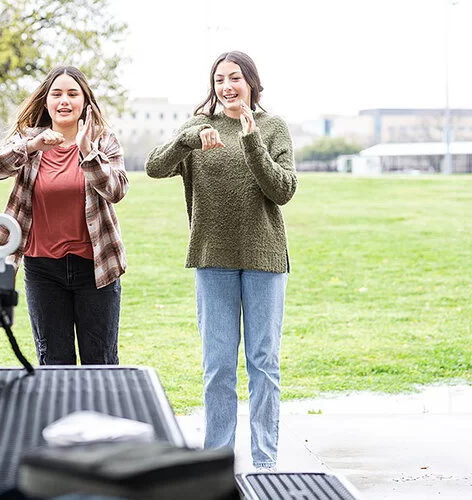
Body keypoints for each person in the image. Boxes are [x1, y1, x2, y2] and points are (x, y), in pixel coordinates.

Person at [145, 51, 297, 471]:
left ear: (251, 81)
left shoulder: (272, 127)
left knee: (263, 363)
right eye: (219, 80)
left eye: (234, 78)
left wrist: (251, 141)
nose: (226, 86)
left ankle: (265, 462)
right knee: (217, 366)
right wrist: (185, 140)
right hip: (212, 257)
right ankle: (217, 460)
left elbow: (282, 189)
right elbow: (154, 167)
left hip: (264, 258)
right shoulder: (198, 127)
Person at [0, 65, 128, 366]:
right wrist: (31, 146)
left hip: (94, 270)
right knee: (54, 362)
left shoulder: (102, 140)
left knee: (100, 361)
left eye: (73, 94)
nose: (64, 101)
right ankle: (60, 415)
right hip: (43, 270)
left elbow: (116, 190)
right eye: (56, 94)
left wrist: (88, 153)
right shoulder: (29, 140)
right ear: (46, 101)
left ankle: (100, 414)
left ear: (85, 102)